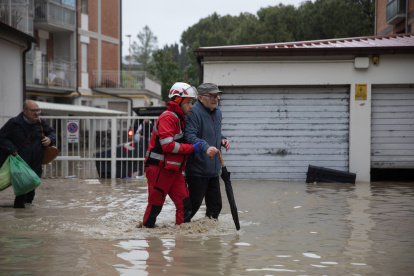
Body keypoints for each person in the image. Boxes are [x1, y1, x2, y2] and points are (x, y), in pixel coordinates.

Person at [141, 82, 202, 228]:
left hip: (173, 170)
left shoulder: (179, 118)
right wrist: (191, 148)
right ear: (177, 101)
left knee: (185, 205)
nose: (191, 106)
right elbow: (167, 145)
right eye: (188, 102)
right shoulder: (168, 118)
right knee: (155, 206)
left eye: (191, 102)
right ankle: (148, 240)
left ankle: (181, 241)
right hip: (159, 169)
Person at [184, 83, 230, 220]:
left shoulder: (218, 112)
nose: (215, 99)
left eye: (217, 96)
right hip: (197, 170)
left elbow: (214, 133)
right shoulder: (194, 112)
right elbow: (189, 136)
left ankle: (210, 238)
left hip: (213, 170)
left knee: (216, 206)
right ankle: (181, 235)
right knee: (193, 207)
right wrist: (205, 147)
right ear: (200, 97)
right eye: (211, 96)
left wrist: (222, 139)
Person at [0, 100, 56, 208]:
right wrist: (11, 149)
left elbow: (52, 132)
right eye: (33, 110)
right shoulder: (14, 123)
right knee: (21, 192)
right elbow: (1, 137)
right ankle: (20, 213)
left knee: (31, 192)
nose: (36, 113)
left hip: (36, 162)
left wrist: (50, 139)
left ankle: (27, 214)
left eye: (38, 110)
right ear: (24, 111)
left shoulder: (40, 122)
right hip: (20, 163)